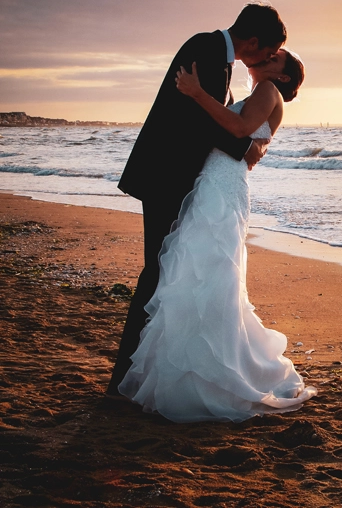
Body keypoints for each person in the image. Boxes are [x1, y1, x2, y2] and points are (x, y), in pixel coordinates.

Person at [118, 48, 315, 422]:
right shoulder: (261, 93)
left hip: (222, 186)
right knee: (201, 270)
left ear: (283, 76)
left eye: (276, 58)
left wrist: (196, 93)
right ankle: (194, 370)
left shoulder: (268, 91)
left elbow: (240, 131)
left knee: (207, 271)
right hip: (218, 181)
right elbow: (242, 139)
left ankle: (210, 375)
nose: (267, 58)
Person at [108, 2, 286, 398]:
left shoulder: (219, 59)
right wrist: (244, 148)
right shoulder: (206, 48)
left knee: (165, 272)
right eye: (267, 51)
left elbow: (211, 118)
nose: (265, 59)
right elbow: (196, 118)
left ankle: (135, 374)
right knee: (157, 273)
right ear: (253, 42)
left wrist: (245, 145)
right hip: (164, 177)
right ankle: (126, 377)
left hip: (179, 179)